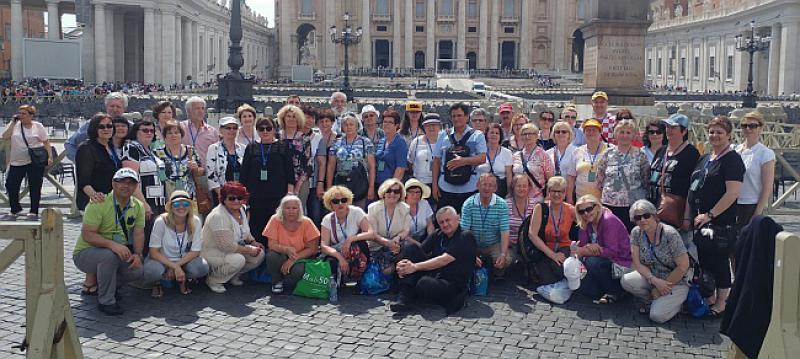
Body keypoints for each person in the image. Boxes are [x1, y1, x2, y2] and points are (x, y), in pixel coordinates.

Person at [688, 116, 745, 317]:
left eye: (720, 132)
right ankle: (709, 298)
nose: (715, 136)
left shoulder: (732, 160)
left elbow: (732, 193)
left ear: (729, 136)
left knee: (719, 262)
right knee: (704, 260)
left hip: (720, 221)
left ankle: (721, 303)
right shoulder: (705, 157)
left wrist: (710, 214)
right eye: (712, 132)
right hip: (700, 220)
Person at [72, 168, 146, 315]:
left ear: (136, 186)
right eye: (121, 182)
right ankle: (106, 302)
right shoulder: (99, 203)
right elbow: (87, 235)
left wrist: (138, 255)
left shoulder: (138, 206)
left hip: (115, 252)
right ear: (113, 183)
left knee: (137, 270)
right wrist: (112, 245)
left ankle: (107, 287)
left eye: (131, 183)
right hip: (85, 253)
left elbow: (139, 233)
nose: (126, 185)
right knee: (108, 256)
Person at [390, 206, 477, 315]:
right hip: (436, 274)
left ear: (458, 218)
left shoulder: (466, 236)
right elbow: (419, 251)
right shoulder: (438, 234)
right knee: (410, 247)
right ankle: (404, 297)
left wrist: (414, 267)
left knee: (424, 283)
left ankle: (411, 290)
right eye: (441, 222)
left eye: (448, 220)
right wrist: (402, 263)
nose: (445, 224)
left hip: (452, 283)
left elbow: (443, 260)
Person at [621, 200, 690, 323]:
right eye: (638, 218)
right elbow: (637, 262)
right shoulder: (636, 232)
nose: (642, 220)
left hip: (676, 280)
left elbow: (683, 266)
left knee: (657, 316)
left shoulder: (670, 234)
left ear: (654, 215)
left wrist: (662, 287)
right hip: (653, 276)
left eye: (646, 216)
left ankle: (677, 304)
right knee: (626, 281)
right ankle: (653, 300)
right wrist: (653, 280)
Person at [201, 182, 266, 293]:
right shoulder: (218, 216)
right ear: (224, 199)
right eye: (231, 198)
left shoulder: (242, 210)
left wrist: (253, 242)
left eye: (240, 198)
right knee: (238, 260)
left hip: (232, 249)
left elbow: (245, 230)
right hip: (212, 252)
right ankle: (214, 280)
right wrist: (249, 249)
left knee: (259, 255)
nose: (236, 201)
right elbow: (227, 246)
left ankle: (232, 275)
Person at [143, 190, 209, 298]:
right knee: (152, 271)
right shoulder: (161, 221)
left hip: (184, 260)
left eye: (185, 203)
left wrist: (177, 266)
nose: (181, 207)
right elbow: (153, 252)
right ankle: (156, 283)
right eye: (176, 204)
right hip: (161, 260)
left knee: (202, 267)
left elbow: (195, 251)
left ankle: (181, 278)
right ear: (170, 207)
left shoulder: (196, 221)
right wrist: (173, 266)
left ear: (190, 206)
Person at [240, 117, 295, 245]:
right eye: (261, 129)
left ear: (274, 129)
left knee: (276, 224)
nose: (265, 131)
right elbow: (244, 173)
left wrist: (290, 193)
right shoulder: (251, 148)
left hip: (277, 194)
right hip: (256, 195)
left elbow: (290, 172)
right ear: (257, 131)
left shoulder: (283, 146)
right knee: (257, 224)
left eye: (268, 128)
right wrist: (243, 196)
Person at [574, 194, 632, 304]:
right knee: (589, 292)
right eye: (581, 211)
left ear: (597, 206)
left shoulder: (608, 220)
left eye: (589, 209)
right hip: (604, 259)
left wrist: (586, 251)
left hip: (621, 261)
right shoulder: (588, 221)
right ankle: (605, 286)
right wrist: (584, 230)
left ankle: (616, 291)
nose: (586, 213)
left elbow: (612, 251)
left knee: (592, 261)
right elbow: (582, 244)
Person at [646, 114, 700, 230]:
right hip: (655, 207)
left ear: (684, 131)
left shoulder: (691, 154)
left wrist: (687, 216)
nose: (669, 130)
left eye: (673, 127)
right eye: (667, 127)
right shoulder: (661, 150)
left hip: (675, 210)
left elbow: (693, 186)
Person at [432, 103, 487, 213]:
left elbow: (482, 158)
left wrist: (463, 161)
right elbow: (436, 160)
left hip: (469, 188)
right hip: (446, 187)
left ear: (467, 117)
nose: (456, 119)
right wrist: (434, 185)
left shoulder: (477, 135)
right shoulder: (443, 135)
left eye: (459, 115)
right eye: (453, 116)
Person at [596, 119, 650, 232]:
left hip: (631, 204)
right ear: (616, 134)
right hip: (609, 204)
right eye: (621, 132)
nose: (624, 135)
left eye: (628, 132)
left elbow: (646, 179)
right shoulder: (607, 153)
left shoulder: (640, 155)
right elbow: (599, 177)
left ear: (634, 135)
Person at [1, 105, 52, 220]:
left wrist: (50, 156)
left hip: (34, 160)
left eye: (24, 114)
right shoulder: (14, 125)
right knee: (10, 184)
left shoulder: (38, 126)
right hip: (17, 161)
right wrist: (13, 123)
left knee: (35, 186)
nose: (21, 116)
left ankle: (34, 210)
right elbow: (5, 136)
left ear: (31, 115)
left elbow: (46, 142)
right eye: (19, 113)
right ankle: (16, 208)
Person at [263, 195, 321, 294]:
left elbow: (312, 248)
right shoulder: (275, 219)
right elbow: (271, 244)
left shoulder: (307, 222)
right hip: (281, 254)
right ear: (282, 209)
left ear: (299, 209)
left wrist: (293, 259)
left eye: (294, 208)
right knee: (271, 256)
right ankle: (277, 281)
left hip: (301, 256)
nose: (291, 211)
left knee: (298, 271)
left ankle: (291, 282)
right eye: (287, 208)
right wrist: (286, 249)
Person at [527, 176, 577, 288]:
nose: (556, 194)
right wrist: (552, 255)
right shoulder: (540, 208)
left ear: (565, 193)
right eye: (553, 191)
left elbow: (586, 220)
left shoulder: (570, 209)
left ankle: (571, 280)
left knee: (559, 268)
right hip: (544, 249)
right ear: (548, 192)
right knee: (546, 281)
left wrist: (602, 210)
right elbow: (532, 234)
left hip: (564, 247)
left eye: (560, 191)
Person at [319, 186, 375, 284]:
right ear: (330, 204)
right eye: (336, 201)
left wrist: (351, 239)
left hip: (354, 250)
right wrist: (339, 257)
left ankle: (361, 279)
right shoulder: (327, 219)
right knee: (331, 260)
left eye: (343, 200)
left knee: (362, 245)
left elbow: (371, 233)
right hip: (338, 252)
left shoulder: (356, 212)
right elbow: (324, 246)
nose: (340, 203)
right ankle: (337, 283)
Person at [121, 120, 166, 242]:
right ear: (136, 132)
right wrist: (144, 204)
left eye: (152, 131)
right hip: (144, 203)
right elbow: (130, 180)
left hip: (159, 202)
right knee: (144, 239)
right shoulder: (131, 148)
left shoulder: (150, 151)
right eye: (145, 130)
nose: (149, 133)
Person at [460, 174, 511, 279]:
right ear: (478, 185)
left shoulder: (502, 205)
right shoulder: (468, 204)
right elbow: (464, 232)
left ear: (495, 188)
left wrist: (503, 254)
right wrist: (470, 254)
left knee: (506, 260)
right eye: (484, 184)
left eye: (491, 185)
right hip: (473, 244)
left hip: (494, 243)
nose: (487, 188)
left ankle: (496, 272)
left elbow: (504, 231)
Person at [326, 113, 376, 208]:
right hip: (341, 182)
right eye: (346, 124)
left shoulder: (366, 142)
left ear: (357, 126)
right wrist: (329, 187)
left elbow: (372, 166)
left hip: (359, 183)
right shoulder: (336, 143)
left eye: (351, 124)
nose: (348, 127)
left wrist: (371, 187)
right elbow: (331, 166)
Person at [735, 111, 775, 226]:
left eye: (753, 126)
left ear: (760, 129)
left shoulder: (766, 153)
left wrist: (757, 213)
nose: (748, 129)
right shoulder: (735, 150)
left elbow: (767, 186)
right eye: (744, 126)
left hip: (751, 205)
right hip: (732, 203)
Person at [366, 179, 413, 275]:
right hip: (377, 246)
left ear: (400, 194)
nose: (392, 194)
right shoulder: (373, 208)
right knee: (386, 271)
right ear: (383, 192)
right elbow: (373, 234)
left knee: (408, 253)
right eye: (389, 190)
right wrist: (388, 243)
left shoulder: (405, 208)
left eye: (396, 191)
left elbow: (406, 230)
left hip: (397, 245)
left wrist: (397, 238)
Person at [75, 113, 121, 211]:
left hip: (112, 200)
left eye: (109, 126)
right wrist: (94, 196)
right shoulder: (86, 148)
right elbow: (83, 180)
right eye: (101, 127)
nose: (106, 129)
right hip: (95, 201)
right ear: (94, 129)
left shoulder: (111, 147)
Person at [65, 92, 128, 161]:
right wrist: (81, 162)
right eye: (112, 106)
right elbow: (70, 144)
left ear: (124, 109)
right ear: (106, 107)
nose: (115, 109)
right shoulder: (93, 123)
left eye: (118, 107)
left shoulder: (132, 127)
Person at [153, 121, 203, 200]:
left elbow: (201, 171)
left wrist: (196, 168)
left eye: (176, 132)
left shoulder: (190, 150)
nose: (173, 135)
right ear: (165, 136)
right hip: (167, 196)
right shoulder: (157, 153)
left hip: (188, 195)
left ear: (181, 135)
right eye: (169, 133)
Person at [277, 104, 312, 212]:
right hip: (280, 179)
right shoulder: (277, 137)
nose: (291, 119)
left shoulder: (304, 138)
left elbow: (308, 164)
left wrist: (297, 187)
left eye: (294, 116)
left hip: (300, 181)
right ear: (283, 118)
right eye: (288, 116)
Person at [206, 117, 246, 205]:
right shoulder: (214, 148)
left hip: (240, 195)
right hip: (221, 195)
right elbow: (211, 174)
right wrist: (222, 195)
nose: (232, 130)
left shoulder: (243, 148)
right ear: (221, 130)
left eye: (234, 128)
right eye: (228, 128)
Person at [512, 123, 554, 203]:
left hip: (536, 199)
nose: (527, 136)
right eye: (524, 134)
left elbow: (551, 179)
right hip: (518, 199)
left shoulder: (543, 155)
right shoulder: (516, 156)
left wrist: (548, 197)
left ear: (536, 136)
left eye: (530, 134)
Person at [571, 119, 610, 200]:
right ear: (584, 133)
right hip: (581, 200)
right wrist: (569, 199)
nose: (591, 132)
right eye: (588, 130)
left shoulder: (610, 150)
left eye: (594, 130)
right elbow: (571, 177)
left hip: (604, 201)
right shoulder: (577, 151)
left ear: (600, 133)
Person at [313, 109, 339, 226]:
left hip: (334, 177)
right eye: (321, 121)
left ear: (332, 122)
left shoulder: (339, 138)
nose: (324, 124)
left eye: (327, 121)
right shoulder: (314, 137)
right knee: (316, 212)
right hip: (317, 176)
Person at [180, 96, 218, 168]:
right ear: (188, 111)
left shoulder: (212, 131)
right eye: (197, 108)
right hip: (184, 172)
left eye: (203, 108)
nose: (201, 111)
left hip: (204, 172)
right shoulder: (180, 128)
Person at [407, 113, 442, 190]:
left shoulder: (445, 141)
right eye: (428, 125)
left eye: (434, 124)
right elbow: (410, 162)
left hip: (439, 184)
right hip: (419, 184)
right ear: (424, 127)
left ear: (439, 126)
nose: (431, 127)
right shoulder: (416, 142)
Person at [478, 123, 513, 198]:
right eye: (491, 132)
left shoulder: (507, 153)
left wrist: (510, 192)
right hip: (481, 190)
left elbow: (509, 174)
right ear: (486, 135)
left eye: (497, 133)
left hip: (500, 190)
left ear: (500, 136)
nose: (494, 135)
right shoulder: (479, 151)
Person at [375, 109, 409, 188]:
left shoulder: (400, 142)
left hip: (391, 187)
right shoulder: (381, 141)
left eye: (390, 122)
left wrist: (391, 187)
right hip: (378, 183)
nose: (386, 124)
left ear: (396, 125)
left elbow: (400, 168)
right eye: (385, 122)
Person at [547, 121, 577, 203]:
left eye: (564, 132)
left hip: (570, 193)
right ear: (553, 135)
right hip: (553, 193)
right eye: (557, 132)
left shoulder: (577, 151)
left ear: (569, 134)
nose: (560, 134)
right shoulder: (548, 153)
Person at [508, 174, 537, 251]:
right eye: (518, 186)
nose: (521, 189)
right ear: (513, 187)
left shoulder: (535, 205)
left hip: (529, 246)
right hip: (510, 246)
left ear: (529, 188)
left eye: (524, 186)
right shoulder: (505, 205)